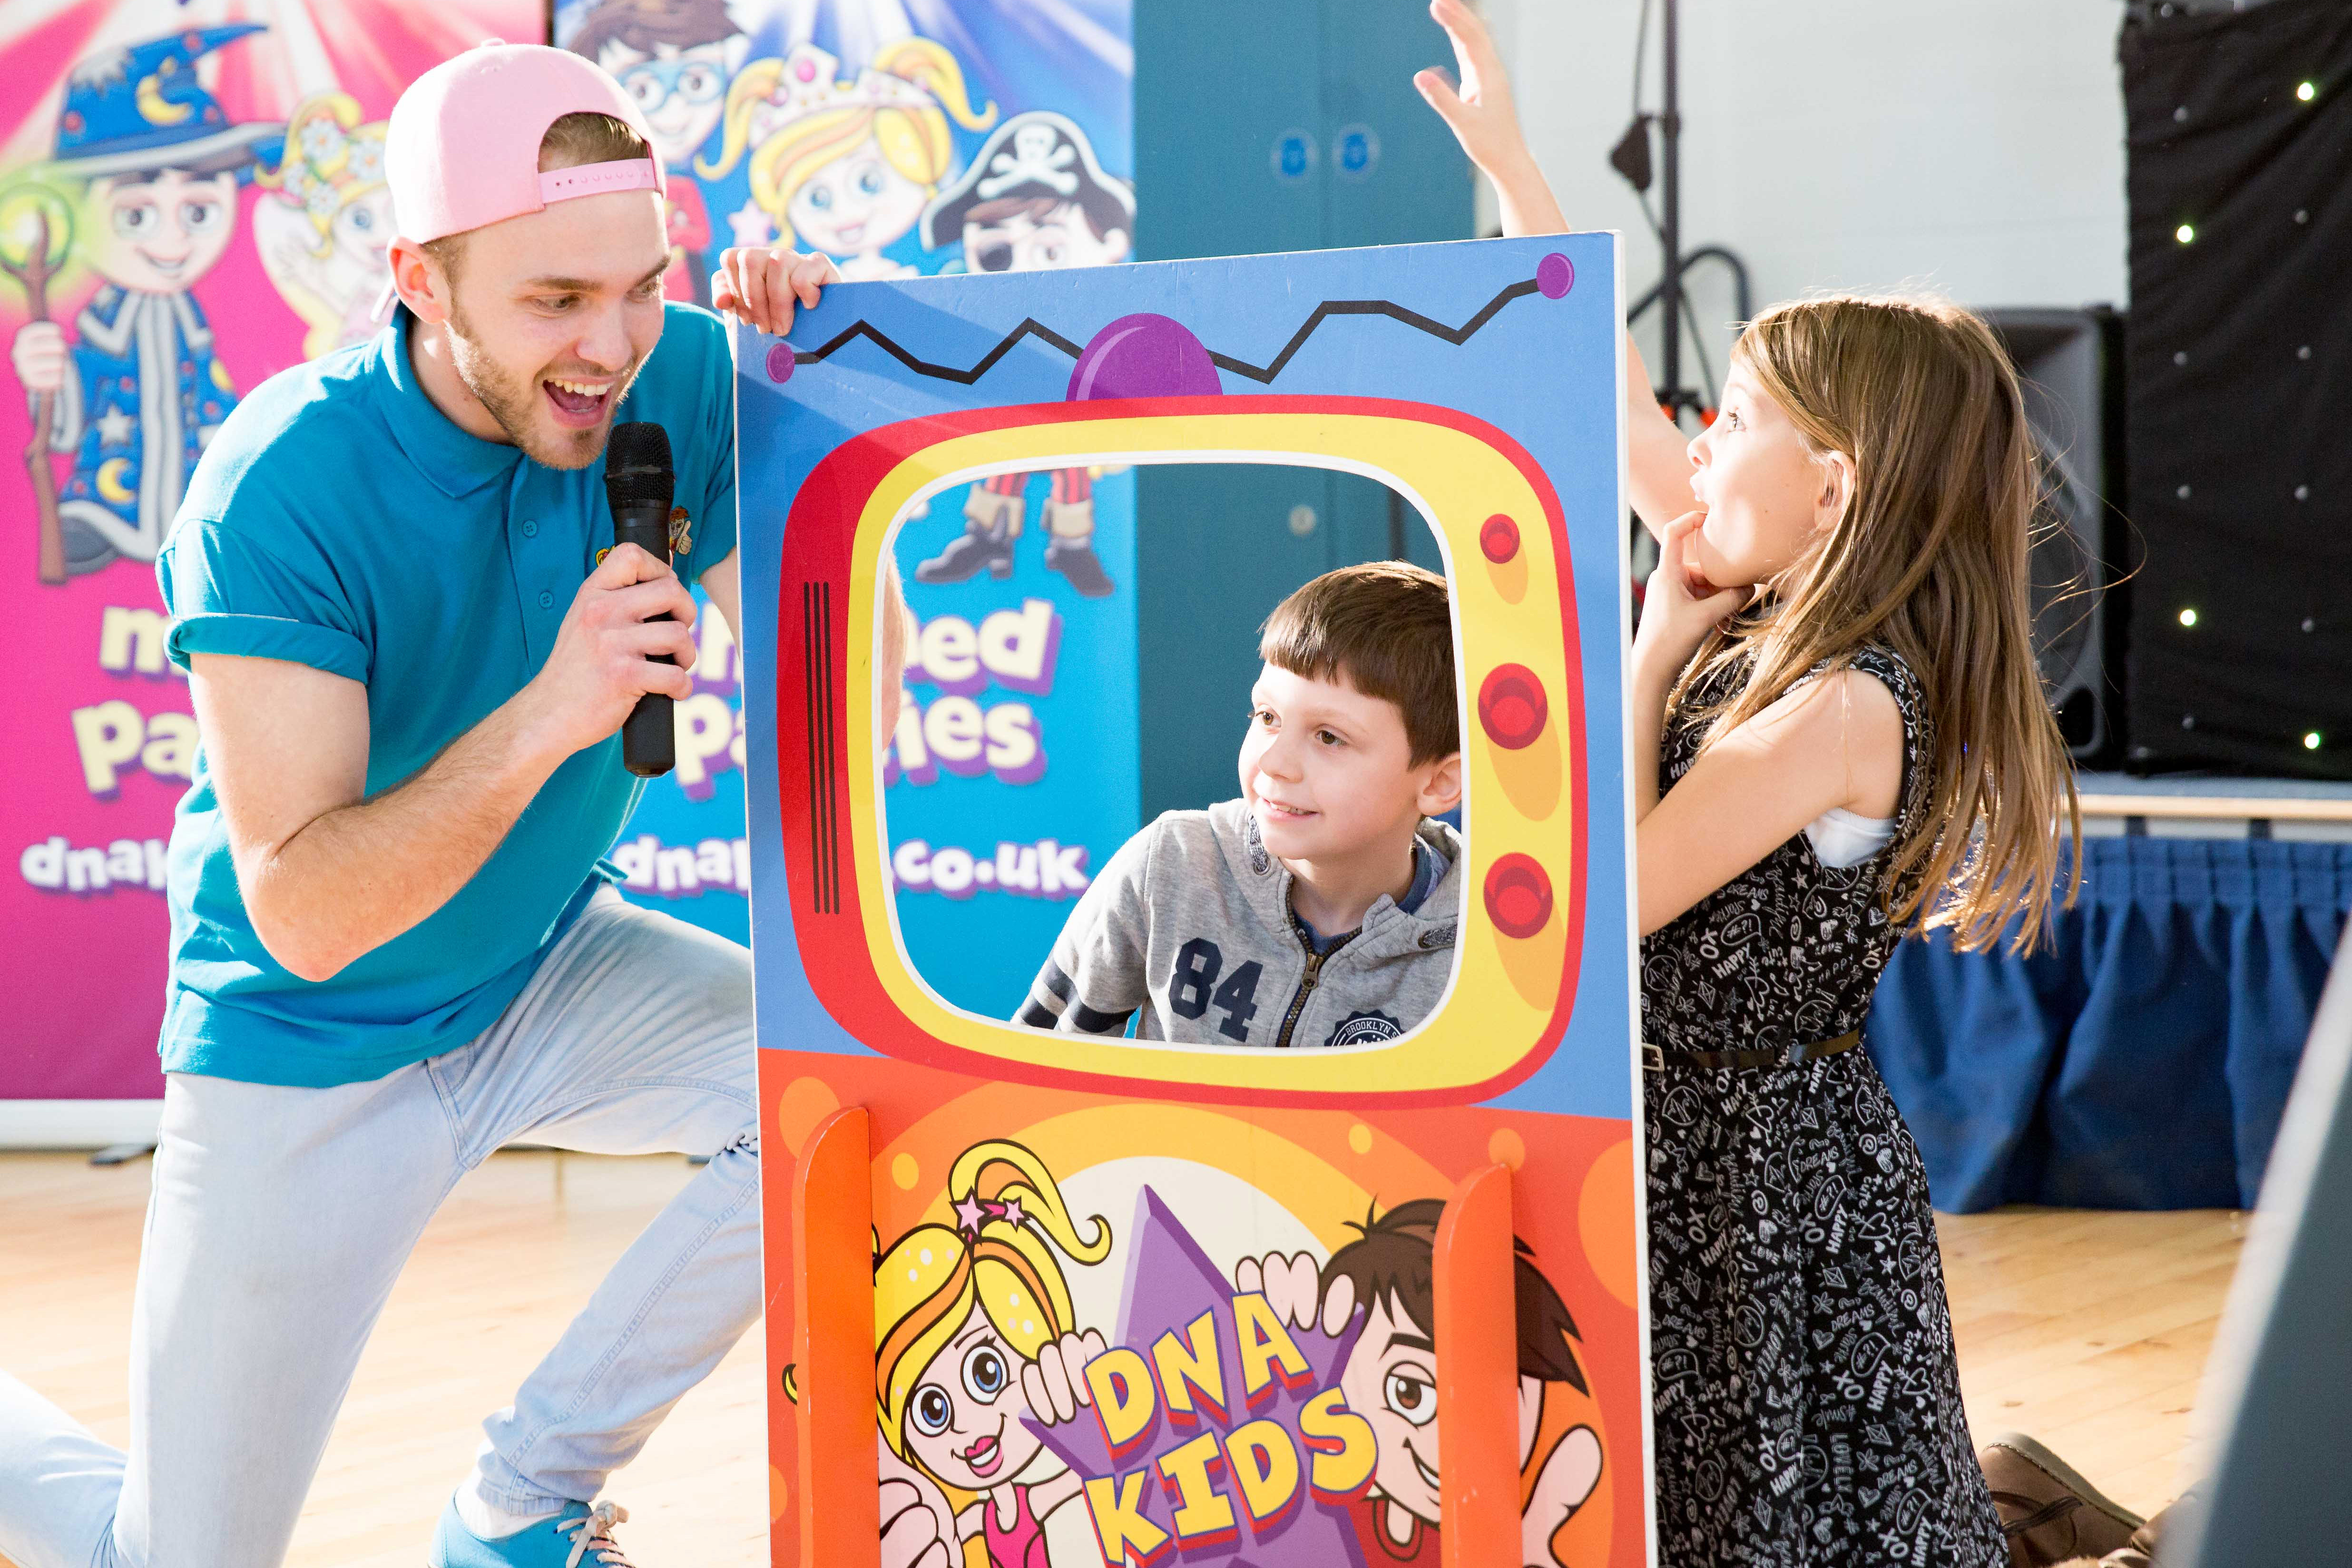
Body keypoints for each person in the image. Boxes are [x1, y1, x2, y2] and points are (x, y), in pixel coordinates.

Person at [0, 42, 833, 1568]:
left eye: (644, 285)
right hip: (308, 1046)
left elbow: (863, 690)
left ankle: (522, 1505)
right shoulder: (278, 488)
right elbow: (307, 915)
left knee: (832, 1100)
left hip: (544, 969)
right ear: (419, 281)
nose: (615, 346)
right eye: (557, 303)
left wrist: (828, 401)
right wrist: (549, 718)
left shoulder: (687, 377)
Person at [1413, 2, 2080, 1563]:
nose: (1696, 445)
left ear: (1833, 484)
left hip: (1763, 1185)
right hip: (1683, 1145)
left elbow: (1611, 893)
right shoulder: (1774, 601)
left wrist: (1642, 656)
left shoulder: (1844, 699)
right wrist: (1515, 161)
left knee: (1791, 1516)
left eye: (1737, 418)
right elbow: (1611, 401)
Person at [1017, 561, 1464, 1049]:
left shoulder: (1479, 954)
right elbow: (1032, 1066)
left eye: (1329, 737)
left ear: (1440, 783)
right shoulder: (1172, 864)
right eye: (1268, 716)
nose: (1275, 761)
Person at [6, 24, 282, 577]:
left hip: (197, 499)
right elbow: (71, 404)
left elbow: (212, 383)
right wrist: (47, 380)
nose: (173, 242)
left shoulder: (195, 321)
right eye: (137, 216)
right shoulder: (104, 321)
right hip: (110, 492)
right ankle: (108, 524)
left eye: (199, 212)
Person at [1237, 1200, 1606, 1567]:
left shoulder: (1475, 1545)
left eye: (1491, 1406)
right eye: (1410, 1394)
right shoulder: (1344, 1523)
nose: (1446, 1440)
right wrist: (1287, 1388)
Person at [856, 1141, 1112, 1568]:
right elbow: (947, 1532)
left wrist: (1101, 1426)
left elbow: (1083, 1481)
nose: (967, 1427)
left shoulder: (1034, 1501)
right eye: (932, 1409)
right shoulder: (978, 1516)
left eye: (987, 1372)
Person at [913, 111, 1137, 598]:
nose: (1024, 268)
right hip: (1009, 397)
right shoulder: (975, 315)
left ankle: (1071, 544)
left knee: (1072, 458)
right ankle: (987, 537)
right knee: (1003, 450)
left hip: (1075, 401)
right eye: (997, 254)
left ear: (1111, 245)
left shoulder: (1103, 314)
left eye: (1050, 250)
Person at [698, 39, 995, 281]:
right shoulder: (808, 294)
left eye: (869, 182)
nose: (847, 210)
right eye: (817, 197)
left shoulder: (952, 272)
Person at [564, 0, 750, 308]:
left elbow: (701, 238)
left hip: (687, 292)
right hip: (632, 298)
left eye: (696, 82)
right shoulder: (603, 188)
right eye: (642, 90)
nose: (675, 108)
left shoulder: (682, 189)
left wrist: (670, 237)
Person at [254, 92, 395, 358]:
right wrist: (314, 284)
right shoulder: (366, 297)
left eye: (396, 216)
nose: (382, 234)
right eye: (360, 221)